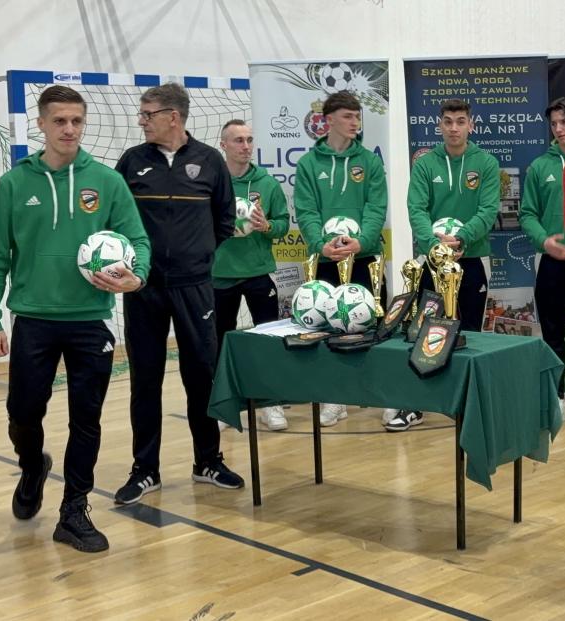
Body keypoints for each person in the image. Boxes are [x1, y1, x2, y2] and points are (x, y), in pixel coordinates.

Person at [0, 85, 150, 552]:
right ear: (41, 124)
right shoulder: (15, 183)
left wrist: (137, 277)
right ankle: (33, 465)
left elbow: (138, 240)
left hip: (90, 320)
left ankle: (74, 510)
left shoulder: (106, 182)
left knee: (86, 419)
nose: (69, 129)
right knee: (23, 413)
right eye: (59, 121)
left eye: (76, 121)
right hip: (33, 318)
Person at [114, 82, 244, 506]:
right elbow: (116, 220)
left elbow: (224, 220)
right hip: (143, 288)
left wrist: (197, 258)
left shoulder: (210, 161)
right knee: (145, 379)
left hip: (195, 288)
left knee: (201, 376)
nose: (142, 121)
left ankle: (207, 461)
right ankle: (145, 469)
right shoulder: (132, 161)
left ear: (173, 116)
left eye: (148, 114)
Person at [399, 98, 500, 432]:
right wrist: (435, 245)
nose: (454, 128)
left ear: (471, 125)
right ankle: (415, 404)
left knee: (469, 333)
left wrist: (462, 238)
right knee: (424, 331)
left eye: (460, 121)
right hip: (432, 261)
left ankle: (469, 405)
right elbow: (416, 209)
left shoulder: (486, 163)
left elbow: (488, 209)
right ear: (439, 125)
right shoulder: (426, 165)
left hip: (471, 259)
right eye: (448, 121)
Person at [293, 90, 389, 427]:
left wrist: (361, 242)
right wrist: (322, 245)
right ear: (328, 120)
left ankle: (385, 396)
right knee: (328, 329)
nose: (354, 122)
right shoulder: (308, 164)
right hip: (326, 258)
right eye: (348, 116)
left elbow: (376, 208)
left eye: (357, 116)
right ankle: (334, 399)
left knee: (374, 326)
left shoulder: (370, 161)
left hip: (365, 257)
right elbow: (306, 211)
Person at [213, 119, 290, 431]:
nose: (245, 146)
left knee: (267, 341)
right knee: (219, 344)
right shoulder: (212, 182)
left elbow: (283, 224)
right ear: (224, 145)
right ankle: (224, 405)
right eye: (238, 140)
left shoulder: (267, 184)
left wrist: (267, 226)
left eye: (249, 139)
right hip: (219, 274)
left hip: (258, 272)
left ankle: (269, 403)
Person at [520, 96, 565, 418]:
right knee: (552, 333)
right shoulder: (540, 166)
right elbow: (527, 214)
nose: (559, 129)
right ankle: (555, 397)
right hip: (553, 262)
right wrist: (543, 240)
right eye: (554, 124)